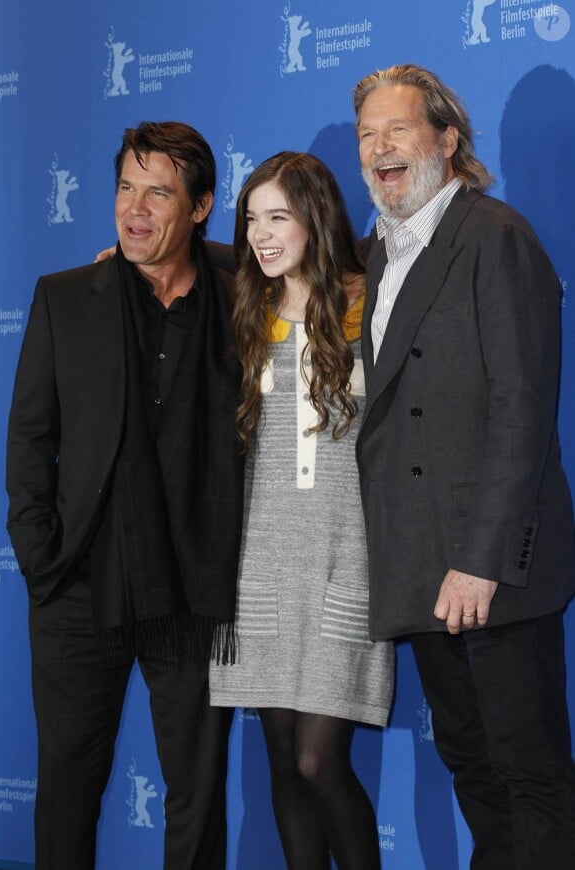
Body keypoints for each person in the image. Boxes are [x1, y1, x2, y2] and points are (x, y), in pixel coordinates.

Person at [353, 63, 575, 868]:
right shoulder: (373, 256)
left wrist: (480, 563)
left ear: (447, 142)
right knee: (472, 765)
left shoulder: (495, 235)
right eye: (367, 135)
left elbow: (523, 410)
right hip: (423, 570)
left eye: (397, 130)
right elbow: (281, 268)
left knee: (530, 775)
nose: (379, 148)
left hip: (493, 576)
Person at [6, 121, 244, 870]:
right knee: (69, 790)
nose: (135, 210)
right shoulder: (66, 298)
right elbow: (28, 439)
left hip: (194, 586)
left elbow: (344, 263)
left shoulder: (243, 289)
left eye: (159, 194)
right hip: (81, 584)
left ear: (201, 206)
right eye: (125, 189)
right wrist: (43, 557)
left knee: (195, 795)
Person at [209, 151, 394, 870]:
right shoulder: (245, 309)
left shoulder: (371, 298)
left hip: (343, 559)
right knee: (283, 763)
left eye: (278, 216)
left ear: (314, 217)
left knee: (320, 762)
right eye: (251, 219)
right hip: (258, 564)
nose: (260, 233)